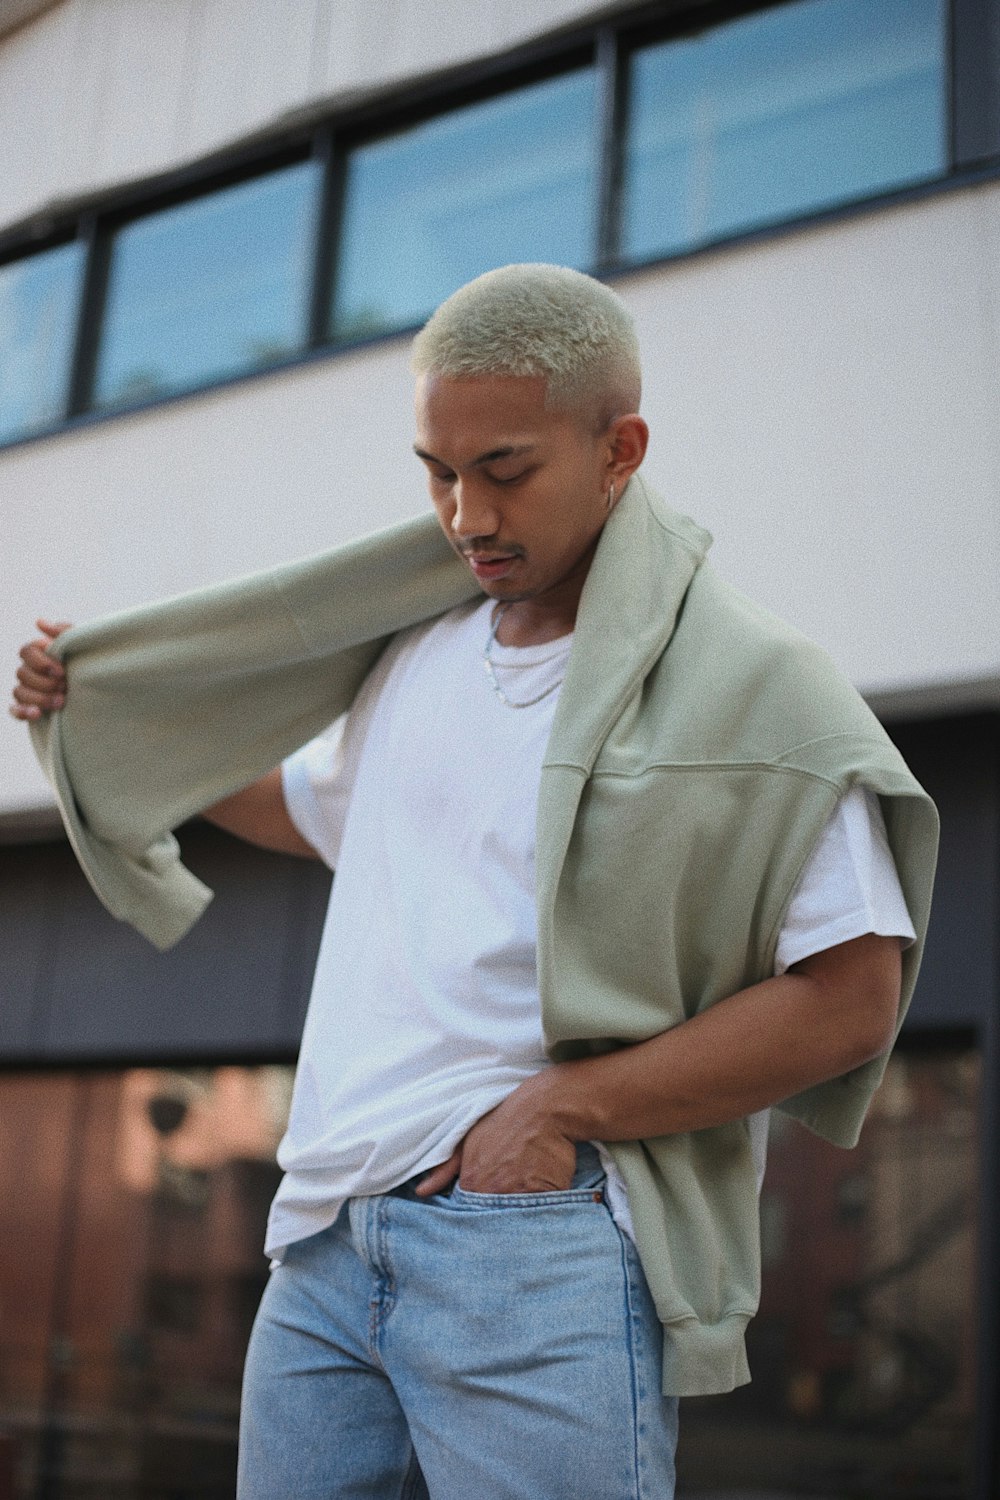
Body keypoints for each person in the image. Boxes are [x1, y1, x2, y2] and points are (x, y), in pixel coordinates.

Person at [11, 264, 936, 1500]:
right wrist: (110, 720)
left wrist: (559, 1114)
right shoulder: (418, 649)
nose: (463, 514)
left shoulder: (757, 688)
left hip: (535, 1239)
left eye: (504, 470)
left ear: (620, 449)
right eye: (436, 472)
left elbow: (849, 1000)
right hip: (325, 1234)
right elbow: (316, 811)